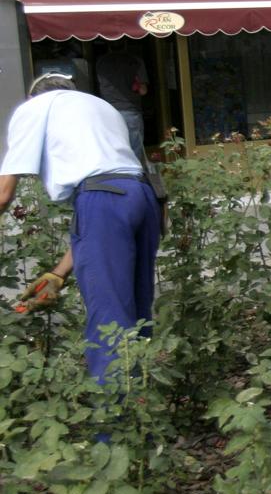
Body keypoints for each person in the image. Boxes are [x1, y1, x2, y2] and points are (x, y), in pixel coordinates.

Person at [0, 72, 161, 385]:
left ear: (36, 97)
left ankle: (114, 427)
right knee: (138, 311)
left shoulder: (35, 108)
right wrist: (58, 275)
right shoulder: (102, 108)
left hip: (103, 199)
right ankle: (143, 406)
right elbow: (100, 223)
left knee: (109, 317)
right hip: (142, 195)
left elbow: (4, 194)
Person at [96, 40, 150, 156]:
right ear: (126, 44)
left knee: (114, 149)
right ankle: (135, 172)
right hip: (130, 109)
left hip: (108, 110)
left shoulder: (100, 62)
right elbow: (143, 91)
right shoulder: (135, 61)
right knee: (134, 148)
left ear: (108, 45)